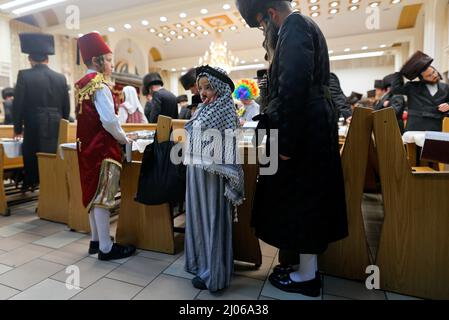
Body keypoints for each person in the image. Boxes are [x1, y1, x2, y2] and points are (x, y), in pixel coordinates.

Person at [237, 0, 348, 297]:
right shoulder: (300, 27)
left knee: (304, 199)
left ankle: (307, 276)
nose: (263, 30)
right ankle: (303, 267)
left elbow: (293, 87)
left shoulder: (294, 27)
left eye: (261, 24)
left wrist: (285, 142)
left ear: (271, 14)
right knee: (303, 198)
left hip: (304, 129)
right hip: (310, 125)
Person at [184, 65, 244, 292]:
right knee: (200, 219)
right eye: (200, 88)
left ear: (219, 88)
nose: (203, 92)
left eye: (208, 87)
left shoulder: (224, 108)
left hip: (213, 175)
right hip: (197, 173)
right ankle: (200, 263)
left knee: (213, 219)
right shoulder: (203, 108)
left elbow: (225, 144)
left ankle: (214, 273)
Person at [76, 32, 136, 261]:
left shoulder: (81, 85)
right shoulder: (99, 85)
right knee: (103, 196)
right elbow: (109, 120)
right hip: (102, 149)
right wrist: (123, 139)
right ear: (96, 61)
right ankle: (106, 248)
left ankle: (95, 240)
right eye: (109, 59)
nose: (112, 64)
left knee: (92, 193)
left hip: (86, 148)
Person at [13, 33, 70, 191]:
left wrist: (17, 129)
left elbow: (18, 105)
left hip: (33, 124)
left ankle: (32, 184)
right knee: (52, 157)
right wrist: (63, 125)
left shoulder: (24, 75)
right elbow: (66, 106)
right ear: (48, 58)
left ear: (30, 58)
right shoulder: (61, 78)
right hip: (56, 124)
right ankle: (52, 188)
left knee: (33, 157)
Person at [391, 51, 449, 132]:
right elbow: (395, 89)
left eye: (434, 72)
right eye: (429, 75)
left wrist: (448, 105)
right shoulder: (412, 87)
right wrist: (399, 73)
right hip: (415, 128)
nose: (435, 75)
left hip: (436, 127)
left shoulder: (446, 87)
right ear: (422, 78)